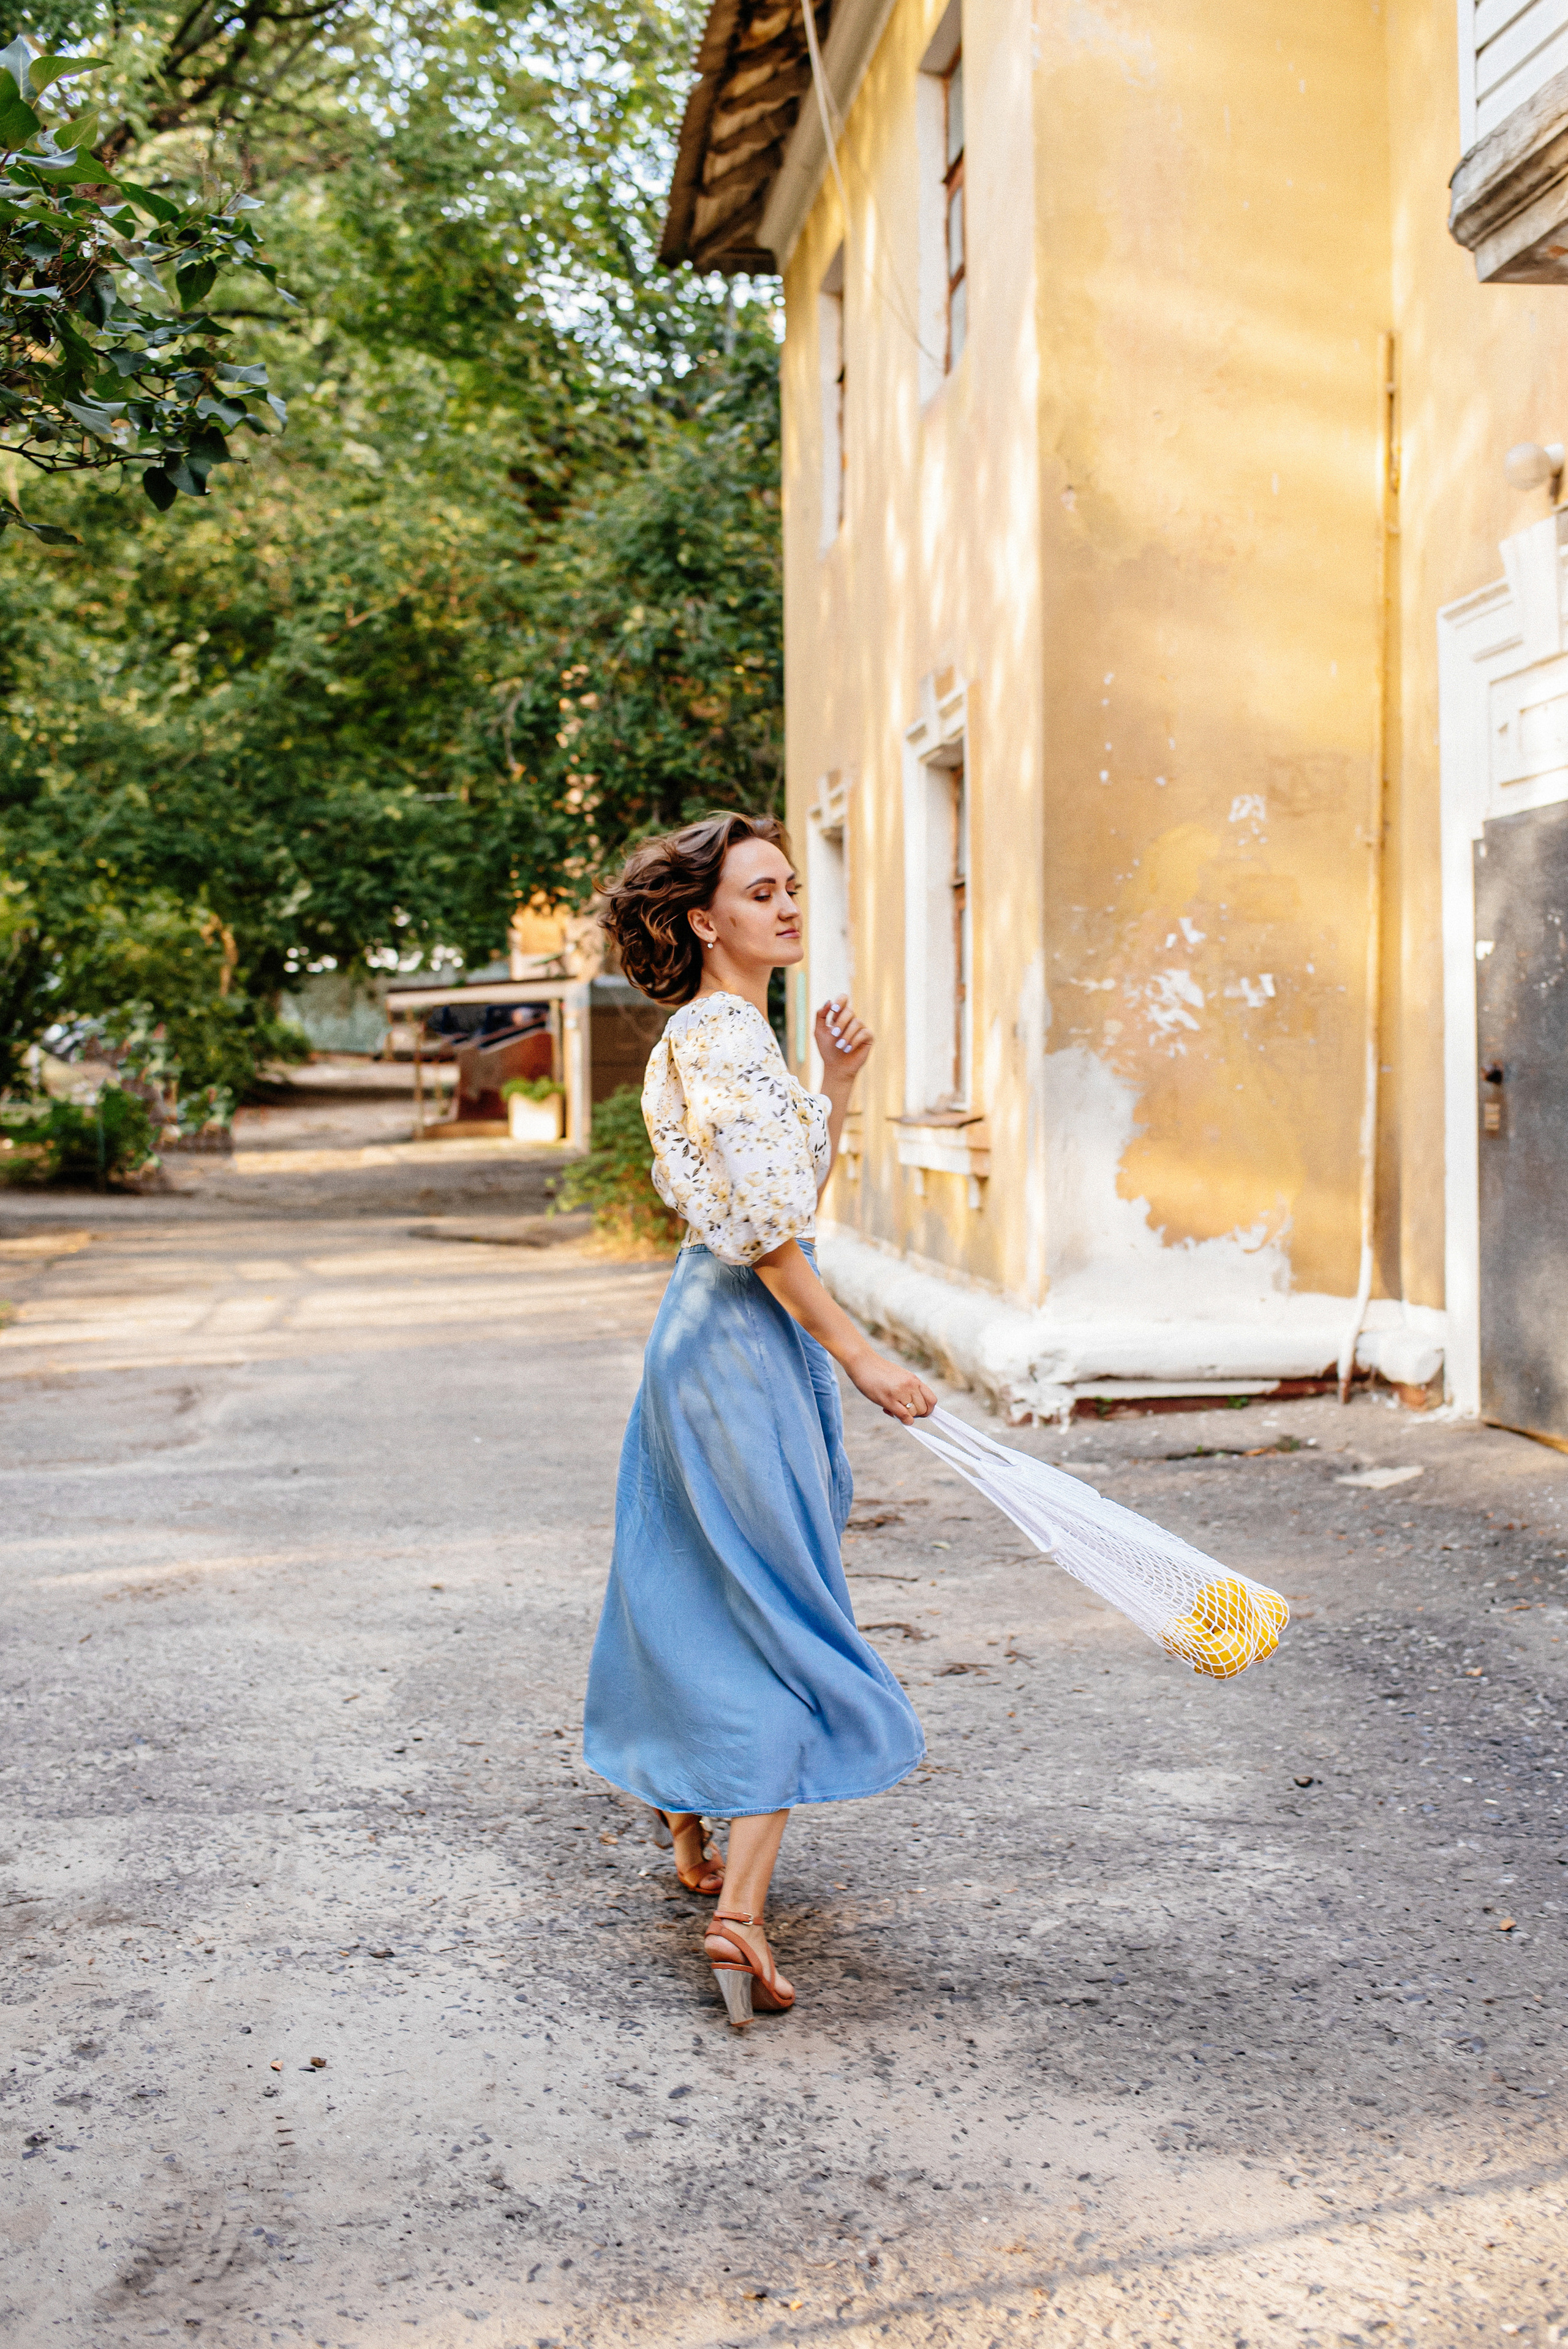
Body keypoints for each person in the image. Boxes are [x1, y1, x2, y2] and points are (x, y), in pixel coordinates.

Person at [582, 812, 937, 2026]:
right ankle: (736, 1915)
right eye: (761, 893)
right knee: (782, 1605)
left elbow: (781, 1195)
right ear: (702, 919)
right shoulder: (720, 1033)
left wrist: (831, 1087)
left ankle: (688, 1824)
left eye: (792, 890)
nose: (789, 909)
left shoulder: (734, 1036)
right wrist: (864, 1350)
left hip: (713, 1331)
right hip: (740, 1335)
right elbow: (768, 1237)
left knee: (692, 1575)